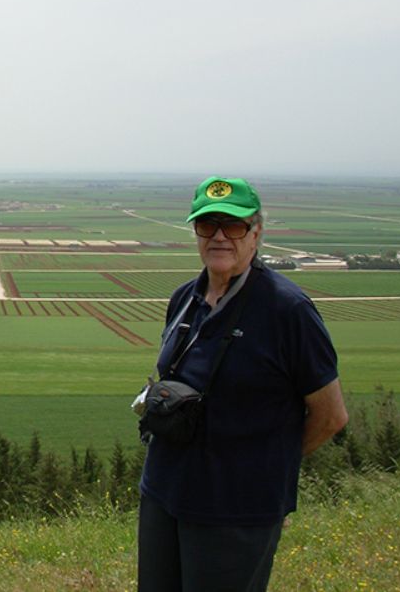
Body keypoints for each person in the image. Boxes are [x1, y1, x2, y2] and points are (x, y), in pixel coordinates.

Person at [137, 176, 348, 592]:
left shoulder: (287, 310)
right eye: (206, 225)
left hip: (235, 509)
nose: (218, 236)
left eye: (232, 226)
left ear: (256, 233)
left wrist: (267, 466)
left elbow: (331, 415)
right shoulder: (185, 297)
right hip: (166, 492)